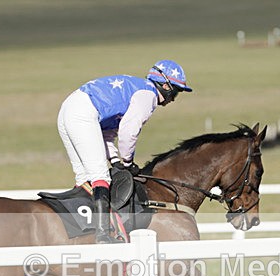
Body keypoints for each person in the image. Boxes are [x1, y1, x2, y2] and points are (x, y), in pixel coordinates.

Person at [57, 60, 192, 243]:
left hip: (70, 108)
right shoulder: (148, 96)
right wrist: (128, 162)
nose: (174, 98)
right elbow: (129, 133)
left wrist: (116, 161)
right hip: (82, 112)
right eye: (175, 91)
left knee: (83, 178)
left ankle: (79, 232)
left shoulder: (137, 89)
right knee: (100, 177)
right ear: (165, 85)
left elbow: (106, 135)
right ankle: (103, 235)